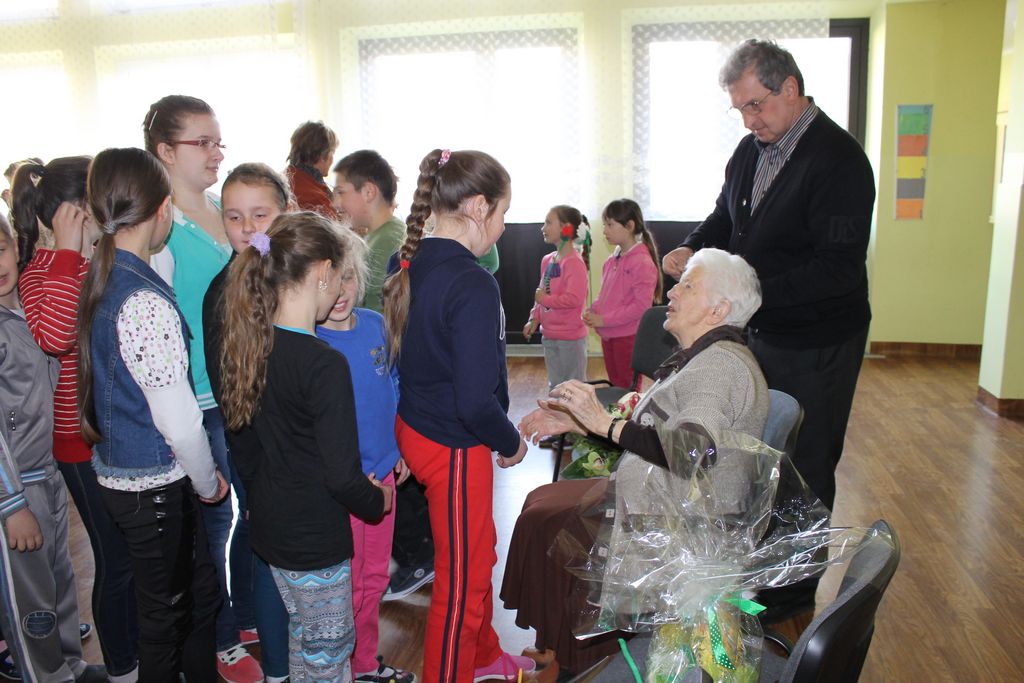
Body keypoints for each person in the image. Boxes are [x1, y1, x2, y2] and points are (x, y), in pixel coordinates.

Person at [660, 40, 874, 620]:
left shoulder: (839, 160)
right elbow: (725, 219)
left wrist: (748, 296)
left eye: (756, 105)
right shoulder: (750, 151)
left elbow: (837, 268)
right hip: (762, 330)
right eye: (740, 110)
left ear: (791, 88)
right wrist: (690, 247)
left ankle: (793, 593)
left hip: (818, 339)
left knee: (806, 463)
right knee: (759, 450)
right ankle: (754, 570)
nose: (749, 121)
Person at [505, 248, 769, 681]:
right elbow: (654, 432)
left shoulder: (720, 367)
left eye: (688, 285)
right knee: (542, 506)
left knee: (551, 525)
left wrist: (604, 424)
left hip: (683, 526)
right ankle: (559, 648)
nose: (673, 293)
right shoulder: (703, 356)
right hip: (662, 498)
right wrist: (582, 424)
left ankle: (581, 663)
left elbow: (690, 453)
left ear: (718, 310)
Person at [382, 148, 536, 683]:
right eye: (502, 212)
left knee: (478, 551)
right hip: (452, 443)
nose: (503, 225)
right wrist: (510, 440)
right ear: (476, 207)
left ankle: (484, 655)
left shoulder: (408, 260)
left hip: (419, 427)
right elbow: (475, 400)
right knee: (462, 579)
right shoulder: (471, 282)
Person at [218, 211, 391, 682]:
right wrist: (378, 499)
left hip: (271, 527)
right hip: (315, 538)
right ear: (322, 272)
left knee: (304, 636)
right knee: (329, 650)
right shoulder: (322, 364)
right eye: (339, 277)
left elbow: (244, 447)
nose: (340, 290)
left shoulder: (253, 343)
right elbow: (342, 475)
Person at [77, 147, 228, 683]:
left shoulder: (107, 273)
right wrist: (208, 482)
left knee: (196, 594)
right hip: (155, 485)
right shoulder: (142, 301)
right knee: (166, 617)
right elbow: (179, 421)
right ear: (163, 209)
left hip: (126, 476)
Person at [144, 94, 260, 681]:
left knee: (255, 508)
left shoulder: (223, 208)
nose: (217, 152)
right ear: (165, 151)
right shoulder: (159, 230)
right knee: (212, 521)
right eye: (203, 142)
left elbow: (263, 261)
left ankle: (245, 612)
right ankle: (221, 637)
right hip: (200, 397)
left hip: (245, 385)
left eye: (219, 141)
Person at [11, 156, 141, 682]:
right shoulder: (42, 270)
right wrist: (67, 249)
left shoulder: (89, 261)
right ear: (74, 212)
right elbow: (55, 336)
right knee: (115, 558)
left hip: (115, 432)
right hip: (78, 441)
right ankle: (124, 667)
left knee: (131, 555)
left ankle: (139, 656)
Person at [0, 215, 107, 683]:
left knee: (59, 576)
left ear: (14, 246)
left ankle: (69, 663)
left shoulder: (28, 305)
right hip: (16, 489)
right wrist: (10, 505)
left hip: (48, 472)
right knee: (31, 597)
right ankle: (44, 673)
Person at [202, 163, 293, 683]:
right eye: (234, 216)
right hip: (257, 449)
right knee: (266, 549)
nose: (247, 228)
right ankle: (277, 665)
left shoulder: (296, 275)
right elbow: (229, 394)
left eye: (260, 214)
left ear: (285, 213)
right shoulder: (224, 292)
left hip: (300, 445)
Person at [315, 230, 416, 683]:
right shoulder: (311, 341)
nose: (340, 291)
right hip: (343, 487)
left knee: (375, 577)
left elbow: (393, 386)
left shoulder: (376, 325)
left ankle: (364, 663)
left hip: (383, 476)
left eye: (349, 278)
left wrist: (399, 448)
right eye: (329, 281)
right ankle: (341, 667)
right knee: (349, 582)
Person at [582, 198, 661, 391]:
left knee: (627, 388)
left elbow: (641, 308)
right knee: (616, 384)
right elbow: (605, 294)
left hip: (627, 336)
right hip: (609, 334)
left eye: (610, 225)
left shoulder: (642, 262)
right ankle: (616, 411)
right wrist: (594, 310)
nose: (604, 230)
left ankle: (627, 412)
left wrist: (604, 320)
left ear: (629, 226)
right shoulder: (612, 260)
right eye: (604, 225)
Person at [523, 205, 590, 390]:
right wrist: (534, 318)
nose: (543, 228)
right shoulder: (548, 260)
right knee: (556, 385)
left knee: (573, 387)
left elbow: (574, 299)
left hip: (570, 338)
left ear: (566, 229)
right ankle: (558, 409)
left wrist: (545, 300)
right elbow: (541, 292)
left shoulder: (574, 263)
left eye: (548, 223)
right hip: (550, 334)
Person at [333, 150, 405, 313]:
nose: (335, 203)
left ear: (368, 192)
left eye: (341, 192)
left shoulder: (388, 241)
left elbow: (379, 312)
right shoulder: (377, 236)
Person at [285, 120, 340, 219]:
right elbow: (336, 227)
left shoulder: (285, 179)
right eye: (333, 152)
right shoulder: (315, 198)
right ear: (322, 156)